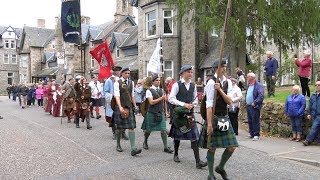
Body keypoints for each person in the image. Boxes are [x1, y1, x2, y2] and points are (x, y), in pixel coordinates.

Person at [198, 59, 238, 180]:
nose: (224, 69)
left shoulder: (227, 82)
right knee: (212, 147)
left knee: (232, 146)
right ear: (216, 68)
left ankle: (220, 167)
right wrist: (209, 124)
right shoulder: (210, 83)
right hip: (214, 118)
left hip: (224, 117)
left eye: (225, 66)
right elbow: (209, 105)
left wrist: (220, 89)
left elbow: (229, 101)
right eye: (222, 66)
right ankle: (211, 174)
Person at [168, 65, 207, 169]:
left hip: (190, 114)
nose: (190, 74)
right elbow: (171, 99)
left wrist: (192, 104)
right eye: (188, 72)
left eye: (191, 72)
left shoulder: (193, 86)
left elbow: (195, 99)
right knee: (177, 137)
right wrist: (183, 104)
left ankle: (198, 162)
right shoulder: (177, 85)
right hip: (179, 115)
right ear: (182, 73)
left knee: (194, 138)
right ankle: (175, 154)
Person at [141, 74, 173, 153]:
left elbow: (164, 102)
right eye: (156, 80)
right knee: (148, 130)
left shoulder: (161, 90)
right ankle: (145, 141)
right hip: (151, 112)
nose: (158, 82)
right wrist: (161, 98)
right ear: (152, 82)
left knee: (163, 129)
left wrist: (166, 111)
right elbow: (151, 102)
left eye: (159, 80)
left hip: (160, 112)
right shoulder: (149, 90)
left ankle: (166, 147)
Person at [113, 67, 141, 156]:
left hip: (129, 107)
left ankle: (133, 148)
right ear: (121, 73)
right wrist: (120, 107)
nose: (127, 75)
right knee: (119, 127)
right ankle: (118, 144)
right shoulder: (117, 83)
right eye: (126, 73)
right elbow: (117, 95)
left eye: (129, 73)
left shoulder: (131, 83)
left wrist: (135, 105)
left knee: (131, 127)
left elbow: (132, 96)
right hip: (120, 107)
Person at [103, 66, 128, 140]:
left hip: (122, 101)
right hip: (113, 102)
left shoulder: (122, 80)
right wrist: (112, 97)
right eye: (119, 71)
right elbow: (105, 91)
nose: (120, 72)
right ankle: (115, 133)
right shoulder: (109, 80)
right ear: (115, 72)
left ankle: (123, 133)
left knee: (124, 116)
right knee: (113, 118)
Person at [245, 73, 264, 141]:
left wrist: (255, 102)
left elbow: (261, 96)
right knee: (250, 120)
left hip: (254, 106)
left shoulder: (258, 85)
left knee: (255, 120)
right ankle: (251, 133)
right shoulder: (249, 85)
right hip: (248, 105)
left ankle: (256, 134)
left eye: (248, 77)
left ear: (252, 77)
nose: (247, 78)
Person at [303, 80, 320, 146]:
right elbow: (309, 105)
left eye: (319, 85)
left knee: (314, 127)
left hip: (319, 115)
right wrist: (308, 113)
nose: (317, 86)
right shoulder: (313, 95)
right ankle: (317, 140)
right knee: (317, 128)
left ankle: (308, 140)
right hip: (313, 114)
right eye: (316, 85)